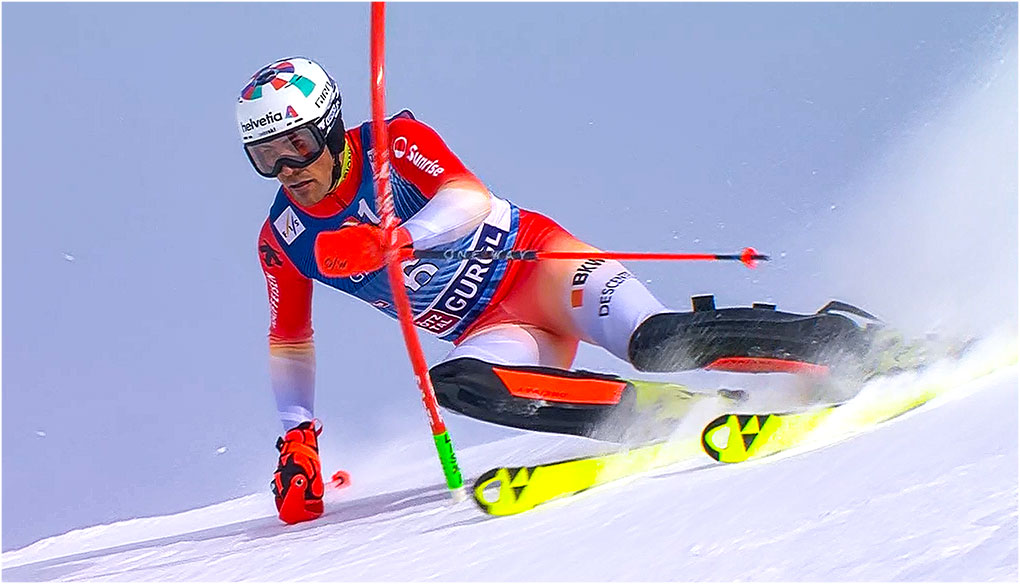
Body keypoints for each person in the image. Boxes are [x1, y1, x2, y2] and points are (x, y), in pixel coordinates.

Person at [237, 57, 889, 524]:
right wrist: (298, 438)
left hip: (544, 271)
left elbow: (467, 199)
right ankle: (650, 412)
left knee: (656, 340)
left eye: (296, 144)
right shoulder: (285, 237)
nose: (289, 169)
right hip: (497, 327)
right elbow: (289, 339)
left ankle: (840, 341)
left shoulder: (393, 144)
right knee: (464, 383)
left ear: (328, 126)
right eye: (266, 157)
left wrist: (398, 239)